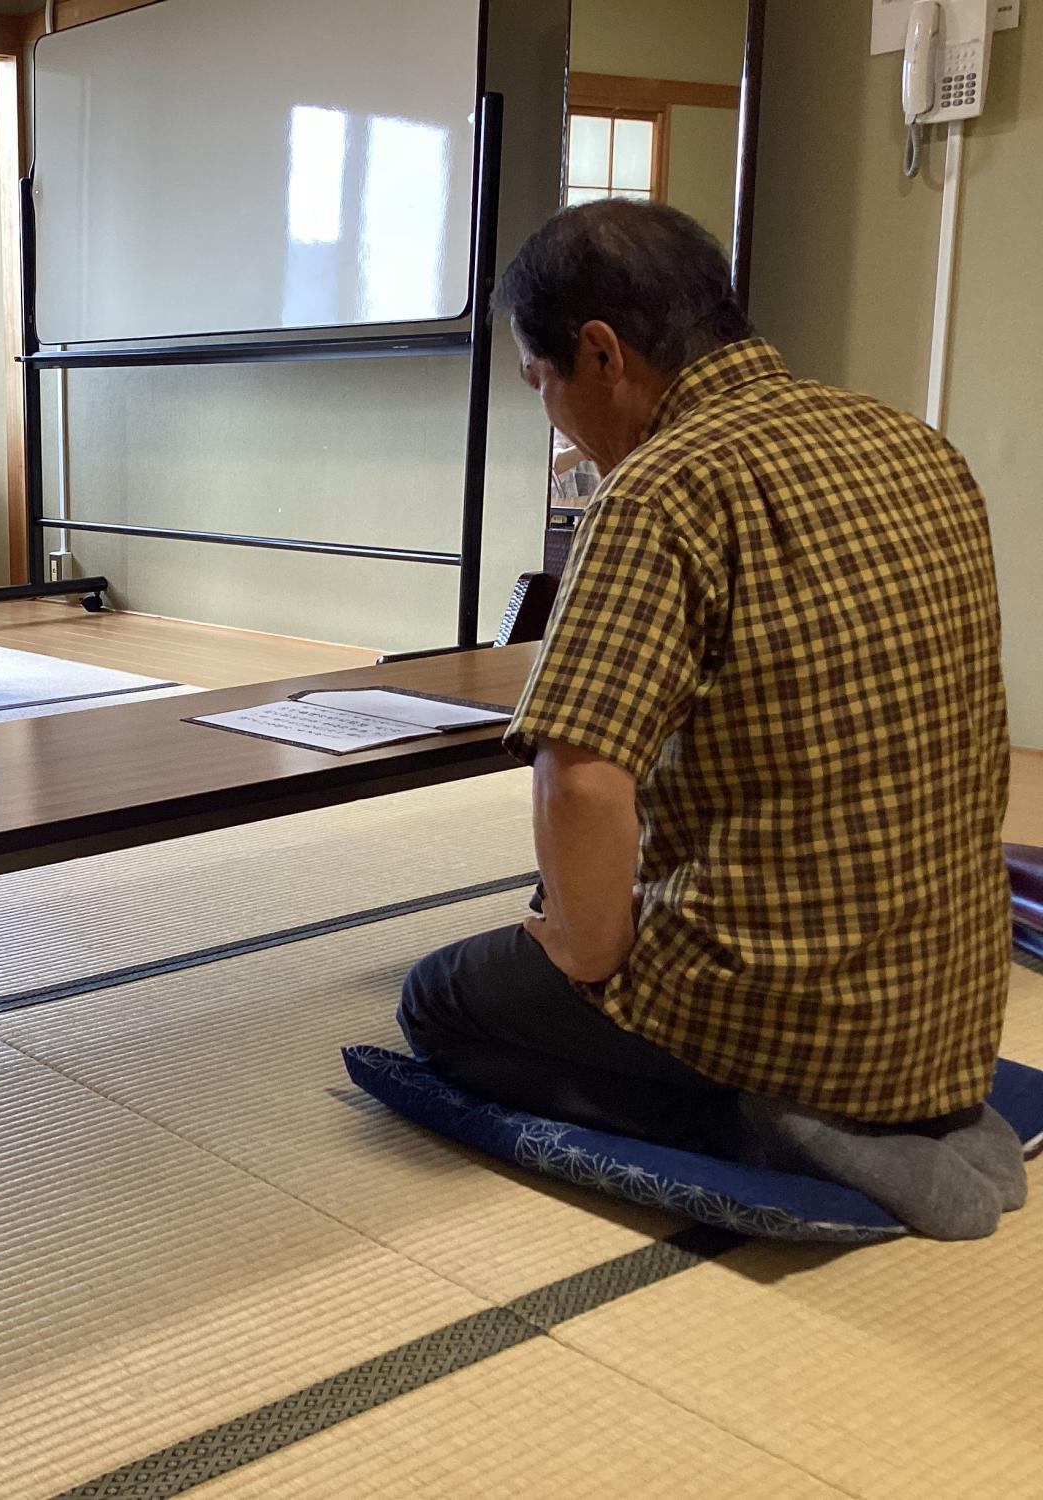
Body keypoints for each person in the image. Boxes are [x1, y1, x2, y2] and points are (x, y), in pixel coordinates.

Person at [397, 199, 1024, 1238]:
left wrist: (585, 954)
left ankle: (779, 1124)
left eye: (540, 380)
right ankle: (912, 1110)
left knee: (443, 1002)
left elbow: (582, 777)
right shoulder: (912, 443)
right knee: (574, 891)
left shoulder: (661, 488)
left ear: (600, 353)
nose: (550, 413)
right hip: (949, 1002)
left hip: (782, 1010)